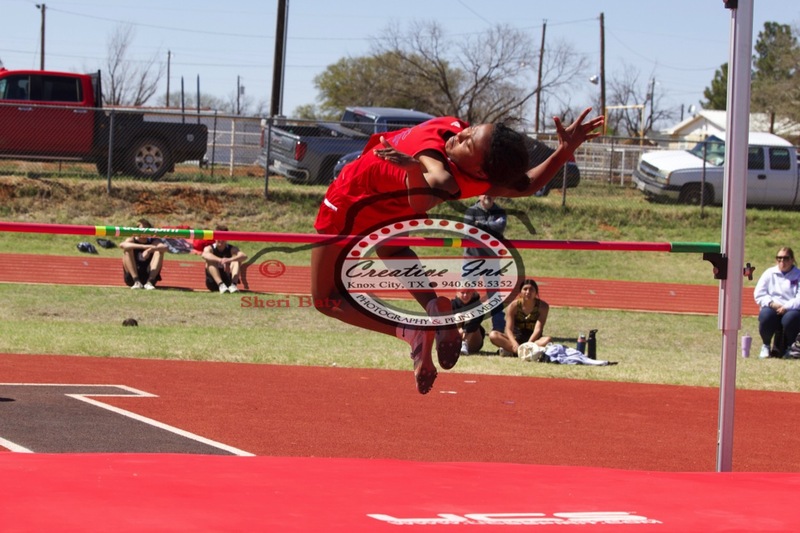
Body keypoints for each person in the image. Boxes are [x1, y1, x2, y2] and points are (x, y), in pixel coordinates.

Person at [311, 108, 604, 394]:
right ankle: (433, 310)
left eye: (468, 142)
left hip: (353, 198)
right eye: (470, 129)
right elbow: (527, 184)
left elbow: (431, 190)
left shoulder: (444, 170)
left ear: (477, 168)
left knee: (325, 299)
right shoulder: (474, 166)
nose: (460, 135)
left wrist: (415, 169)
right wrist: (564, 150)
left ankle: (411, 331)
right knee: (394, 249)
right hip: (391, 199)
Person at [463, 194, 508, 334]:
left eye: (491, 192)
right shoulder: (471, 211)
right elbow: (469, 231)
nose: (488, 195)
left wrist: (480, 225)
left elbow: (499, 227)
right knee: (465, 294)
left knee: (494, 295)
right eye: (484, 192)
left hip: (491, 260)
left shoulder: (500, 212)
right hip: (472, 259)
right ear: (478, 195)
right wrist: (489, 228)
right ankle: (461, 326)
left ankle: (499, 328)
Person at [753, 246, 800, 358]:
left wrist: (786, 307)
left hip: (791, 308)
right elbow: (759, 293)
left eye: (785, 258)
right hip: (773, 307)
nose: (782, 261)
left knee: (791, 318)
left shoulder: (798, 274)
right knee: (766, 316)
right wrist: (771, 303)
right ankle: (766, 346)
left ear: (792, 259)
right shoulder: (769, 273)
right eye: (779, 258)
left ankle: (790, 348)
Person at [489, 278, 552, 357]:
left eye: (531, 289)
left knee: (547, 340)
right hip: (516, 338)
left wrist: (528, 344)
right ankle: (524, 352)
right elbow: (508, 329)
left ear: (536, 292)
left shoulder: (543, 307)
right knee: (493, 335)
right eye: (525, 289)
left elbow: (538, 329)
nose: (528, 292)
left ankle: (513, 352)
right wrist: (514, 343)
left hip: (534, 340)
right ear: (520, 292)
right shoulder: (514, 306)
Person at [120, 218, 168, 290]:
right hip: (132, 277)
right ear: (137, 229)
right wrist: (145, 246)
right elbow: (122, 245)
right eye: (142, 229)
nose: (144, 231)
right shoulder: (132, 239)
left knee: (159, 251)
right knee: (127, 250)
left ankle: (150, 282)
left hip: (147, 274)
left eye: (146, 229)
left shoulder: (153, 240)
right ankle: (136, 282)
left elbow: (165, 248)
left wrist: (150, 250)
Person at [201, 225, 247, 294]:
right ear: (215, 237)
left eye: (223, 237)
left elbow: (244, 256)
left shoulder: (231, 249)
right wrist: (220, 260)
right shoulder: (209, 248)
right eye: (219, 237)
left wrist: (229, 260)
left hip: (228, 281)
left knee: (236, 260)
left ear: (227, 238)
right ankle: (221, 285)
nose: (221, 240)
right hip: (213, 283)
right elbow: (204, 255)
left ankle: (233, 285)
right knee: (209, 260)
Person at [451, 288, 487, 355]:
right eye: (462, 292)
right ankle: (454, 345)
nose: (465, 295)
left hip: (474, 340)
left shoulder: (478, 305)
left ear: (473, 293)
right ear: (458, 293)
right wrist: (457, 329)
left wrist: (464, 330)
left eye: (468, 292)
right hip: (457, 337)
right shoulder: (452, 304)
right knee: (457, 316)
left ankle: (464, 344)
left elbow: (476, 323)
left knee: (470, 316)